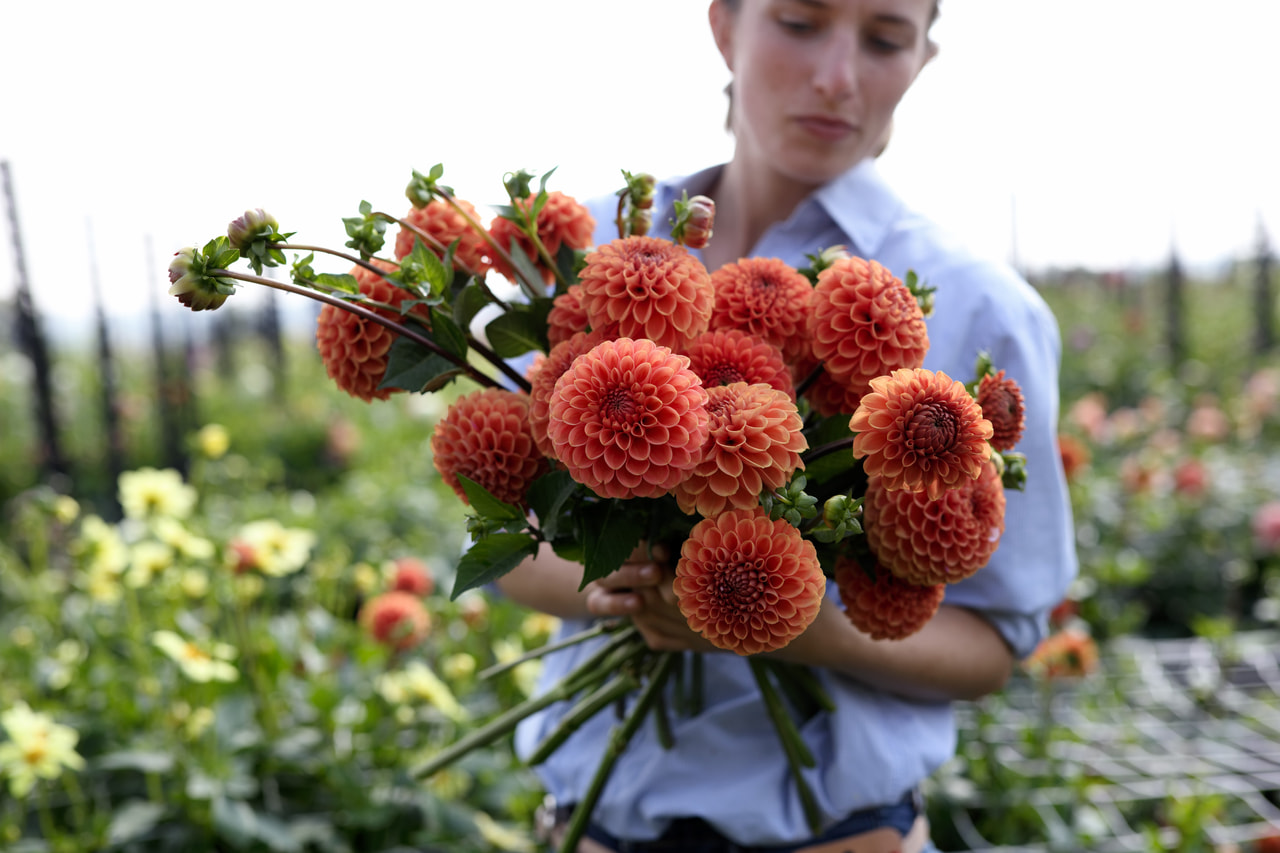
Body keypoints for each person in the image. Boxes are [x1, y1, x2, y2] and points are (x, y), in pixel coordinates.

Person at [495, 0, 1078, 850]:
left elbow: (996, 642)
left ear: (923, 57)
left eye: (884, 39)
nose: (837, 76)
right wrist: (611, 576)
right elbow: (506, 536)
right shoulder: (593, 246)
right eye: (800, 21)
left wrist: (806, 629)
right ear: (724, 24)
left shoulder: (978, 305)